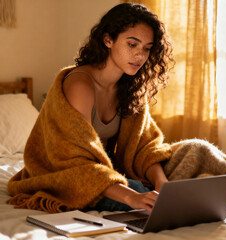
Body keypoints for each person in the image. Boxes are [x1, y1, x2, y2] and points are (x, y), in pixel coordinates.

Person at [7, 3, 174, 213]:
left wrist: (163, 183)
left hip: (104, 172)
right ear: (108, 40)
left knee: (194, 153)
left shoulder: (131, 87)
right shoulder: (80, 86)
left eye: (147, 48)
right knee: (138, 188)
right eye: (132, 45)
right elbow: (74, 161)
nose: (140, 56)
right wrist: (133, 197)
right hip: (65, 173)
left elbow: (145, 148)